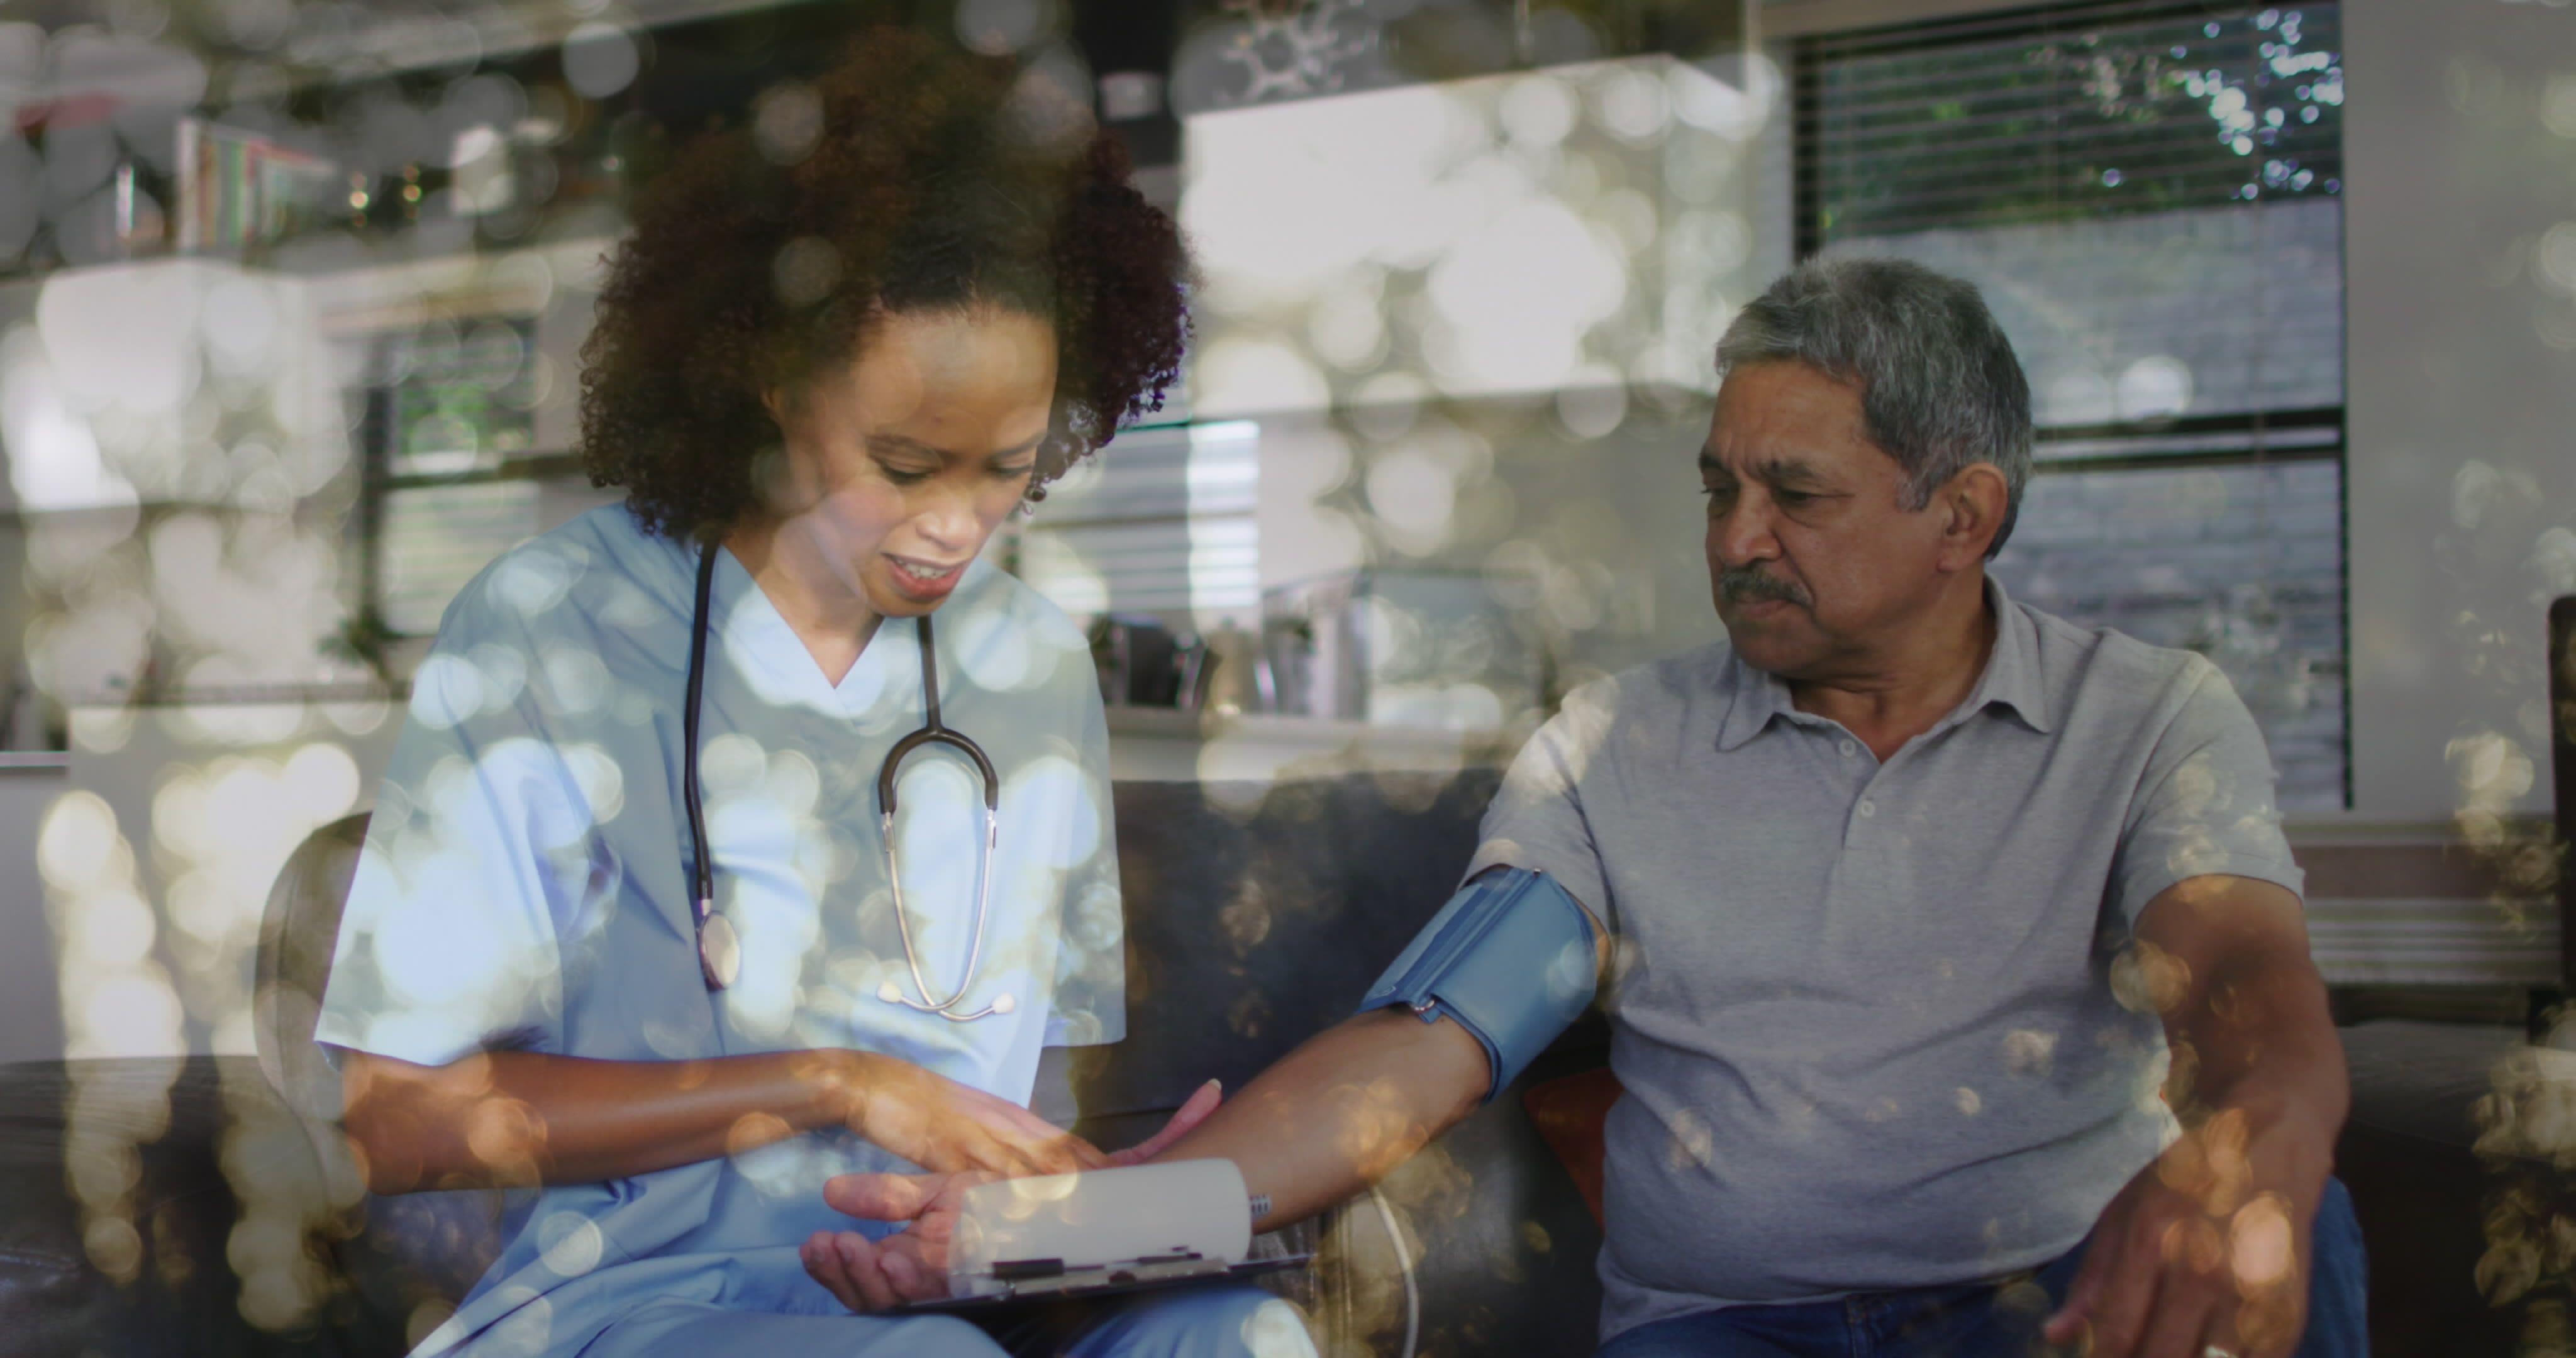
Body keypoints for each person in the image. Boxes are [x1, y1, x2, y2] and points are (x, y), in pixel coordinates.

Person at [806, 258, 2367, 1358]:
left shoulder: (2148, 717)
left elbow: (2240, 987)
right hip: (1729, 1334)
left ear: (1962, 515)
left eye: (1796, 496)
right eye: (1716, 489)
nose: (1736, 538)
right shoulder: (1615, 747)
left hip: (2047, 1302)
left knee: (2318, 1229)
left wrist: (2254, 1142)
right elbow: (1433, 1034)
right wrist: (1097, 1218)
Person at [314, 33, 1310, 1358]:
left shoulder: (1028, 668)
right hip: (627, 1317)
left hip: (944, 1299)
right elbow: (399, 1121)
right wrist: (837, 1087)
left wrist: (1082, 1208)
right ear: (771, 381)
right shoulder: (550, 629)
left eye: (1005, 467)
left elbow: (1017, 1108)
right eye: (902, 464)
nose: (955, 527)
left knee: (1234, 1340)